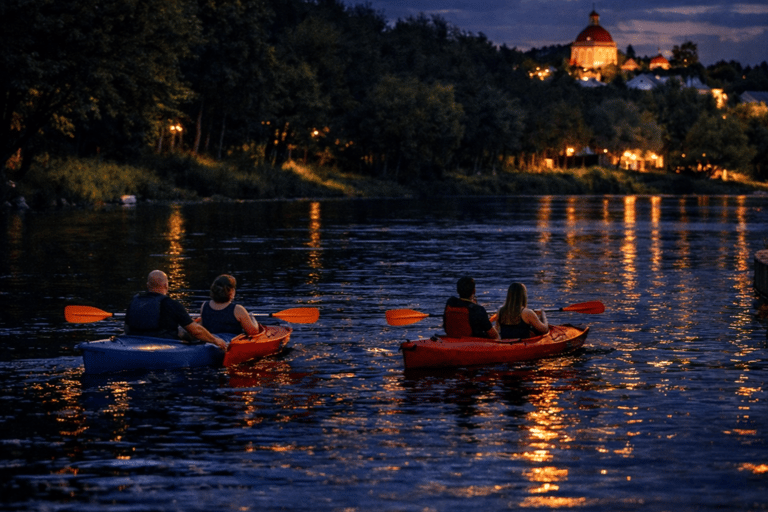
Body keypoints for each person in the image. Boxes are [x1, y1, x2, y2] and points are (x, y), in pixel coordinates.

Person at [124, 270, 227, 350]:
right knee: (190, 330)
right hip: (164, 344)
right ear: (166, 285)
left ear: (147, 285)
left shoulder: (135, 301)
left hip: (134, 340)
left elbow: (127, 329)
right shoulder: (172, 304)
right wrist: (215, 341)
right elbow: (196, 331)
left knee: (181, 330)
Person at [199, 274, 262, 339]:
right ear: (232, 291)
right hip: (229, 344)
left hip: (210, 341)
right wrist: (252, 318)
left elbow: (202, 326)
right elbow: (253, 332)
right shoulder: (238, 309)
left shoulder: (204, 305)